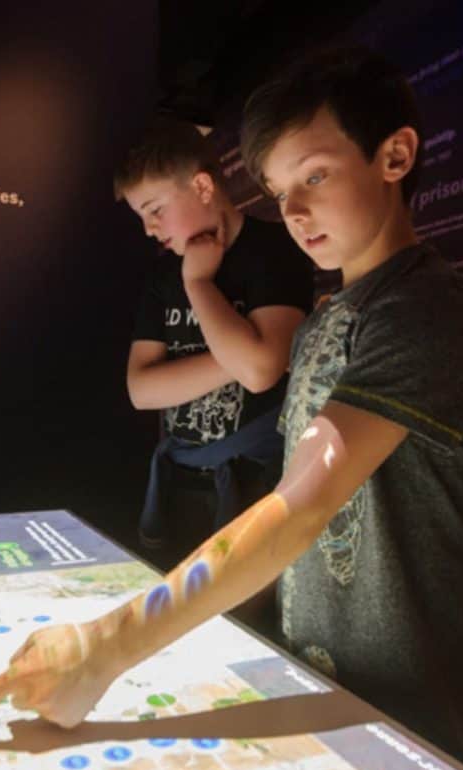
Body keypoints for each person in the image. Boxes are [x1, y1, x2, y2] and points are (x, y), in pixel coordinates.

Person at [0, 45, 463, 770]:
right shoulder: (324, 320)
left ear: (395, 154)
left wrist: (109, 645)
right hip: (332, 696)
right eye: (281, 190)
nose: (296, 210)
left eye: (315, 174)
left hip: (420, 720)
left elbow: (303, 505)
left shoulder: (428, 311)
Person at [116, 116, 312, 573]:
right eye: (141, 216)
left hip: (256, 488)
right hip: (181, 483)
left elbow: (262, 372)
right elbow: (141, 390)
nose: (148, 228)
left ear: (203, 187)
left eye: (154, 209)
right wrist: (241, 353)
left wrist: (200, 283)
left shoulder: (274, 250)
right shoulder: (163, 276)